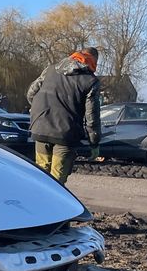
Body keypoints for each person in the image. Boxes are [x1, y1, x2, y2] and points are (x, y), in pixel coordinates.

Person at [26, 47, 101, 184]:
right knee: (56, 180)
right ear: (94, 61)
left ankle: (37, 203)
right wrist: (94, 143)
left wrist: (40, 111)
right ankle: (52, 205)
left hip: (40, 128)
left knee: (41, 174)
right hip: (65, 134)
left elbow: (31, 93)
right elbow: (92, 115)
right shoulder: (91, 81)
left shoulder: (50, 70)